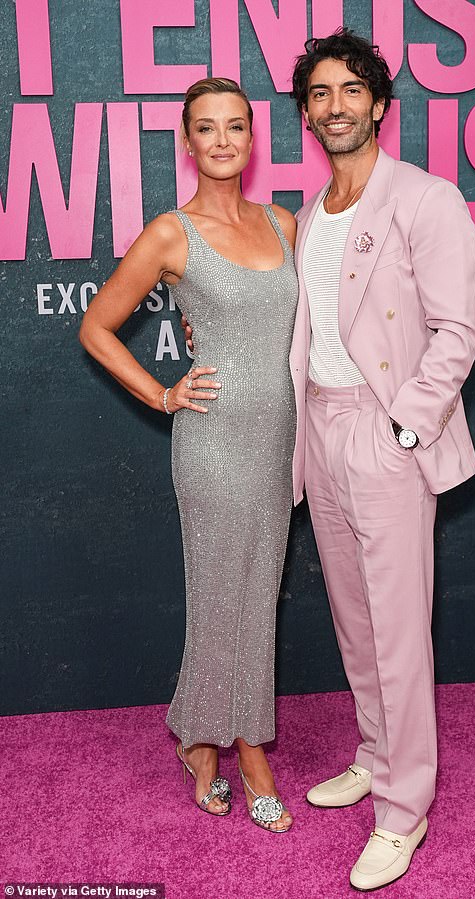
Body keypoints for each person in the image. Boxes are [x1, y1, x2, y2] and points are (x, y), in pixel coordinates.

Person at [288, 30, 475, 890]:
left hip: (385, 431)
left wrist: (403, 428)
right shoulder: (306, 212)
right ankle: (375, 754)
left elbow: (457, 333)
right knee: (354, 621)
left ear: (380, 104)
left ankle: (404, 811)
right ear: (305, 113)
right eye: (320, 94)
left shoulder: (426, 198)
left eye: (350, 91)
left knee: (400, 631)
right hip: (320, 429)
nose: (336, 107)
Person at [79, 77, 298, 832]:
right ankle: (243, 746)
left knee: (257, 594)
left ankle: (199, 734)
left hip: (277, 443)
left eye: (236, 126)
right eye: (207, 128)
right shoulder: (173, 232)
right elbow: (97, 327)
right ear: (187, 140)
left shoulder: (284, 222)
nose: (224, 140)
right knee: (218, 599)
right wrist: (163, 393)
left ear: (251, 136)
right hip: (212, 443)